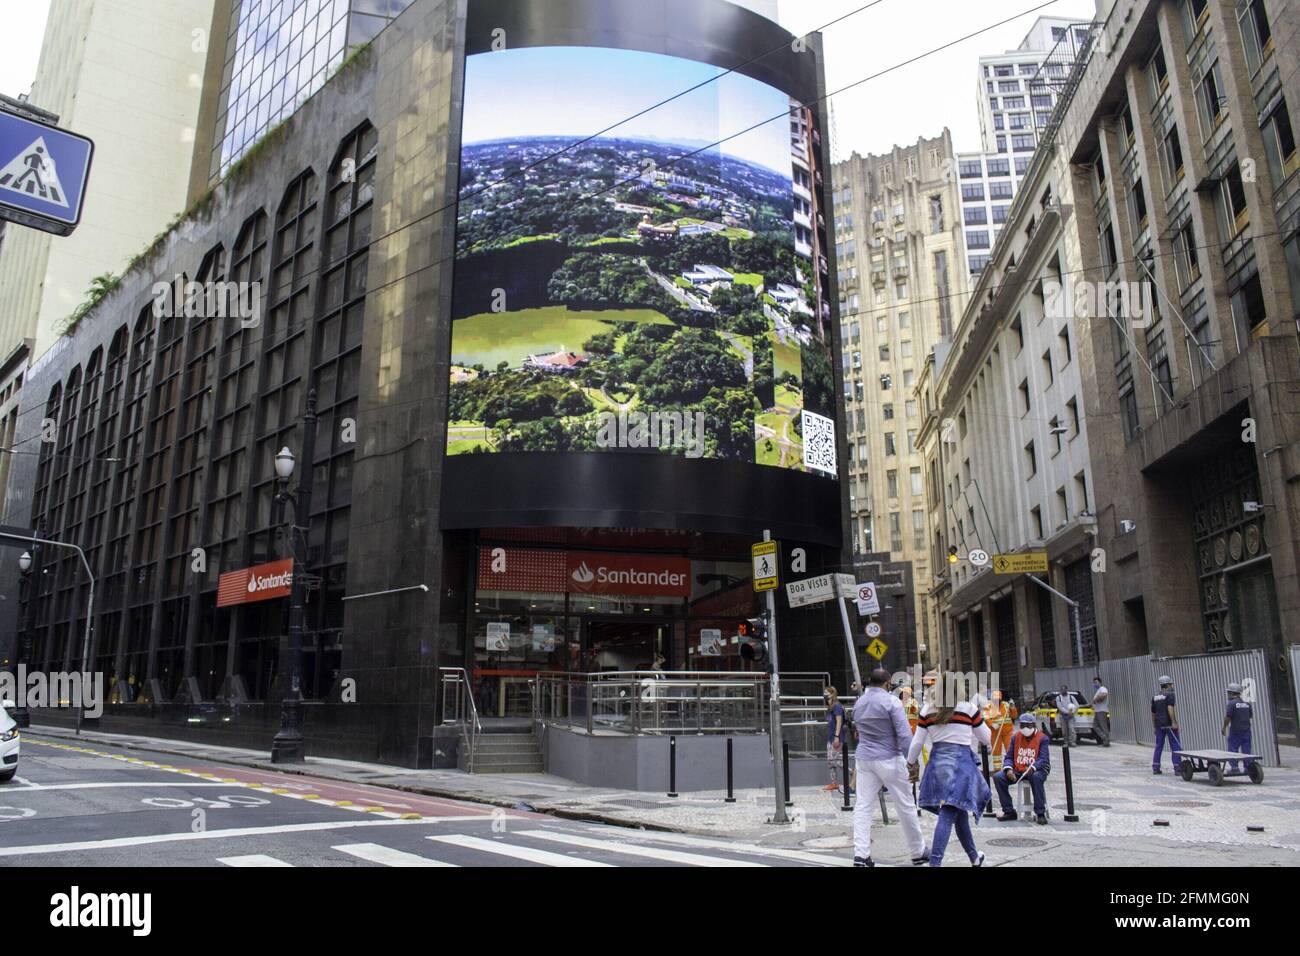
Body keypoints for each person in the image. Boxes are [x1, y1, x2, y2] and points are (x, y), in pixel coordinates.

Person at [851, 668, 929, 867]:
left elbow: (857, 730)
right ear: (887, 684)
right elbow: (904, 735)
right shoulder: (891, 701)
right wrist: (912, 762)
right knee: (906, 806)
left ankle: (861, 855)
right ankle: (917, 851)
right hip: (889, 759)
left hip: (865, 759)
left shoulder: (859, 703)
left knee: (863, 806)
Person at [908, 697, 991, 867]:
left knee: (958, 811)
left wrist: (910, 762)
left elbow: (917, 741)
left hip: (938, 765)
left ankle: (975, 858)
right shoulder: (968, 708)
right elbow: (986, 736)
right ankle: (935, 863)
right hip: (961, 764)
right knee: (948, 812)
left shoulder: (927, 710)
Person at [994, 713, 1051, 824]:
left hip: (1037, 770)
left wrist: (1032, 768)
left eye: (1028, 726)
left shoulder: (1042, 738)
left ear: (1033, 725)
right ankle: (1009, 811)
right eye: (1022, 725)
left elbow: (1043, 759)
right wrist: (1009, 769)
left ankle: (1040, 812)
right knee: (998, 777)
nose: (1025, 728)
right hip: (1019, 769)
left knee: (1035, 777)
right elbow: (1009, 756)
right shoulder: (1015, 737)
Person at [1151, 675, 1182, 774]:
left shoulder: (1155, 697)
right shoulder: (1170, 695)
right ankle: (1178, 767)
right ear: (1167, 685)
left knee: (1158, 746)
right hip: (1169, 725)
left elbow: (1153, 713)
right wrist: (1174, 722)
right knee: (1175, 745)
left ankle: (1156, 767)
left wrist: (1155, 726)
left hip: (1159, 725)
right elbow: (1170, 708)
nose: (1172, 686)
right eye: (1171, 684)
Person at [823, 687, 851, 792]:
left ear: (832, 694)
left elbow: (839, 722)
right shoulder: (830, 707)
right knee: (830, 761)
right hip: (830, 737)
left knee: (835, 760)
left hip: (836, 737)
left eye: (827, 692)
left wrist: (837, 737)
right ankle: (834, 782)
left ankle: (852, 772)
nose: (825, 694)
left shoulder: (837, 706)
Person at [1222, 682, 1253, 773]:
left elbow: (1228, 717)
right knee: (1246, 750)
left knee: (1232, 750)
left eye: (1229, 692)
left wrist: (1224, 727)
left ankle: (1235, 768)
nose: (1228, 695)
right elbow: (1250, 716)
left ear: (1232, 693)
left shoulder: (1231, 704)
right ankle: (1247, 768)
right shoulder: (1247, 704)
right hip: (1247, 731)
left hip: (1235, 731)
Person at [1091, 676, 1110, 746]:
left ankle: (1106, 741)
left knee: (1103, 726)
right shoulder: (1098, 690)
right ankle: (1104, 737)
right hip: (1097, 711)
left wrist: (1095, 700)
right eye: (1094, 683)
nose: (1094, 684)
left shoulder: (1103, 688)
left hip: (1102, 711)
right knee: (1095, 726)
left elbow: (1104, 695)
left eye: (1096, 682)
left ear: (1100, 682)